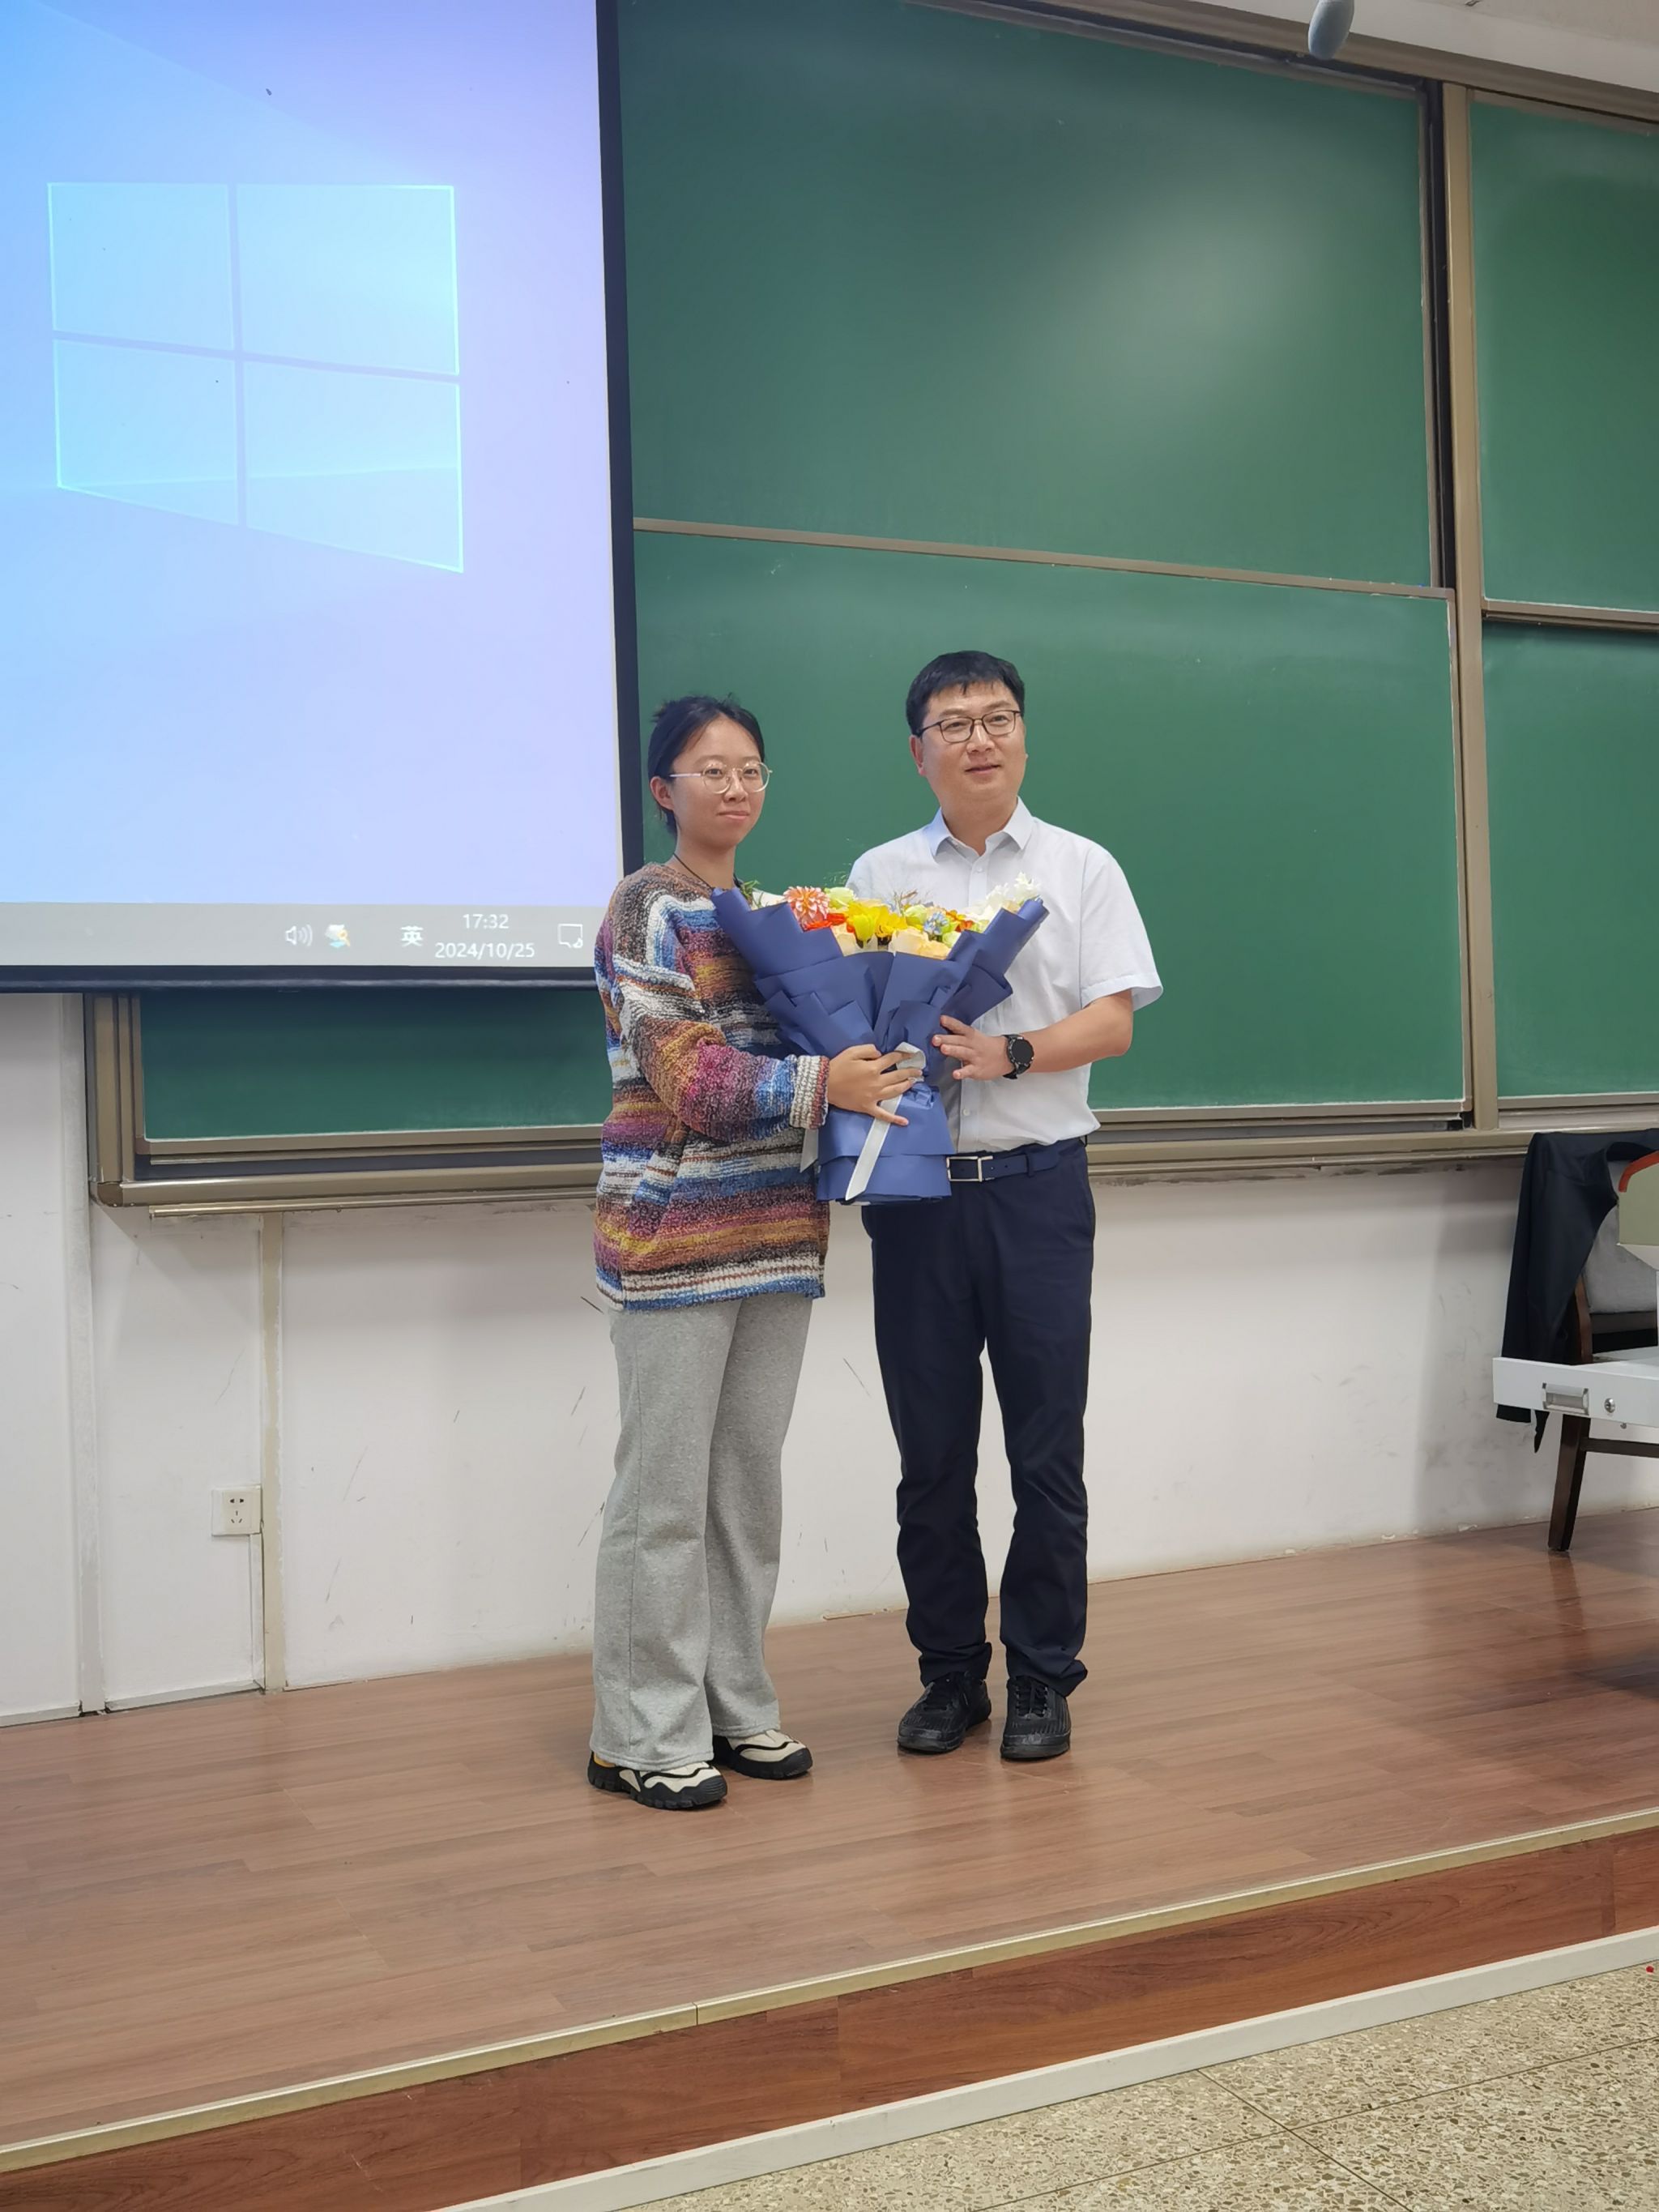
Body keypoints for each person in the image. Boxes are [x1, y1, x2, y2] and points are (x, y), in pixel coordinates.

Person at [589, 694, 915, 1811]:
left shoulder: (780, 915)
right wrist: (829, 1081)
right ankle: (639, 1731)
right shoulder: (647, 908)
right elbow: (692, 1076)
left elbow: (830, 1050)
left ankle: (732, 1704)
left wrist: (881, 1052)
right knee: (662, 1499)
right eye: (711, 769)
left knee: (742, 1493)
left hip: (777, 1234)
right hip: (675, 1238)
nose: (736, 787)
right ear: (663, 789)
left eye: (752, 770)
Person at [847, 651, 1161, 1764]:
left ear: (1023, 735)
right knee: (930, 1455)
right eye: (954, 722)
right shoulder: (879, 874)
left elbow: (1115, 1019)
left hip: (1038, 1192)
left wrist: (1010, 1052)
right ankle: (948, 1676)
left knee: (1045, 1452)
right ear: (918, 750)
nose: (979, 739)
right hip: (917, 1200)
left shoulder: (1081, 866)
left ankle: (1039, 1677)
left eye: (998, 718)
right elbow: (853, 1018)